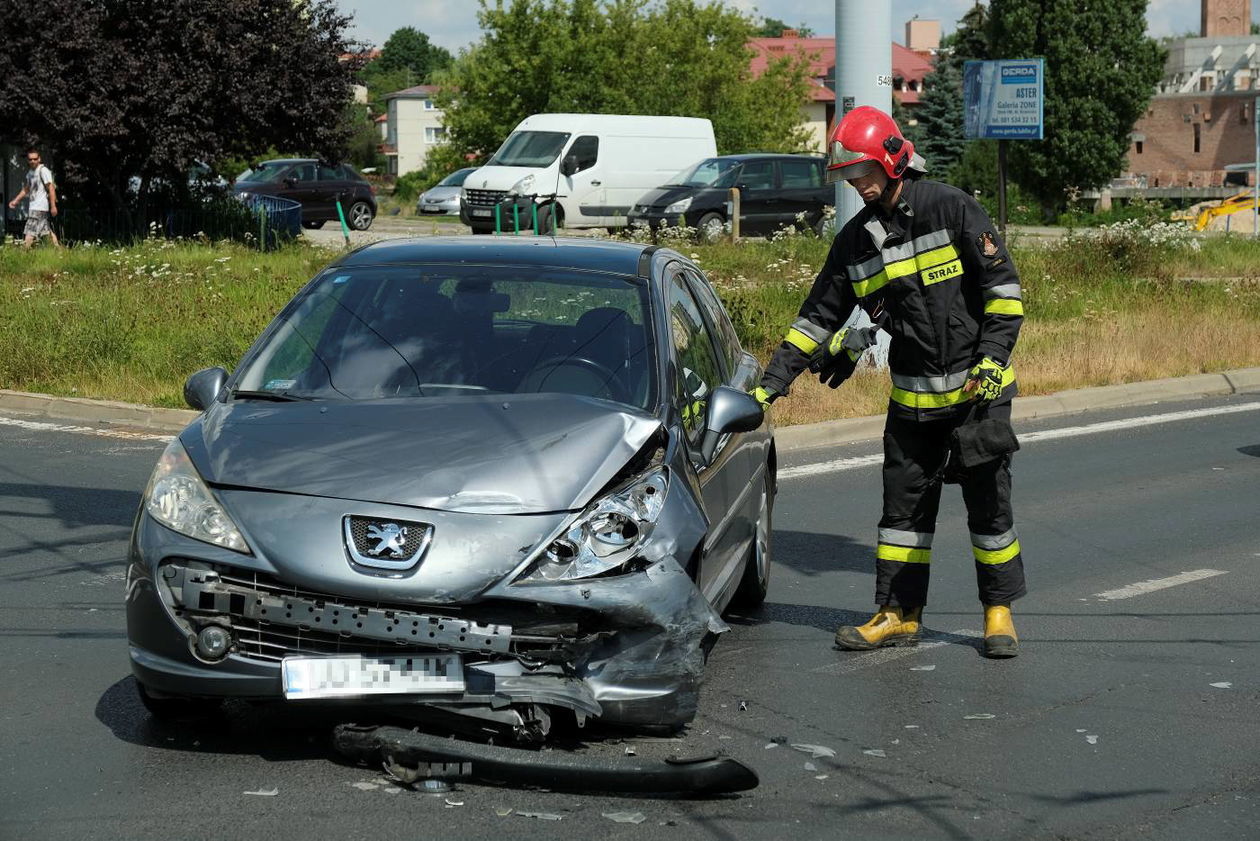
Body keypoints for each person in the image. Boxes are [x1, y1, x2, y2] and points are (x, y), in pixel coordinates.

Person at [752, 106, 1026, 659]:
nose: (858, 186)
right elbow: (816, 319)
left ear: (893, 159)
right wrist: (768, 387)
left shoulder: (951, 208)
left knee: (988, 510)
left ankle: (998, 613)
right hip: (912, 401)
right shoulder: (855, 242)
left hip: (979, 397)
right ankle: (898, 614)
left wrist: (992, 359)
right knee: (902, 516)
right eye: (850, 178)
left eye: (864, 174)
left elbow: (1004, 293)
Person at [7, 147, 60, 248]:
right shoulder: (30, 173)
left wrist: (53, 206)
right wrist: (16, 201)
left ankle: (24, 252)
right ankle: (59, 251)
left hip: (40, 207)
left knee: (30, 231)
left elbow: (51, 188)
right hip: (34, 207)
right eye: (30, 159)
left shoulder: (43, 171)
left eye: (35, 159)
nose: (33, 161)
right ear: (28, 160)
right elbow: (27, 189)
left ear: (39, 159)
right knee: (46, 231)